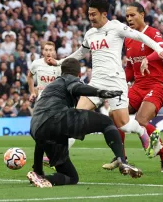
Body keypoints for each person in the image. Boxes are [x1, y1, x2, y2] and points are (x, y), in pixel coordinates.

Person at [47, 0, 163, 166]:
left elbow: (140, 36)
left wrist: (158, 49)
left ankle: (141, 132)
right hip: (96, 82)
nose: (91, 18)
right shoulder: (90, 33)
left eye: (94, 14)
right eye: (89, 14)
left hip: (116, 82)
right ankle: (57, 153)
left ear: (104, 14)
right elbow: (80, 53)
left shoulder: (116, 27)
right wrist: (59, 62)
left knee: (123, 125)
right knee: (75, 116)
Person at [27, 58, 142, 188]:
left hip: (36, 126)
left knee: (72, 177)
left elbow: (40, 139)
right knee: (106, 122)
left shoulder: (51, 87)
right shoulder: (69, 79)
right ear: (79, 74)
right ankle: (122, 160)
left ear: (61, 71)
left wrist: (38, 170)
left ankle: (41, 177)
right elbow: (76, 87)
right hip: (57, 117)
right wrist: (99, 92)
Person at [102, 2, 163, 172]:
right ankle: (121, 157)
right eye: (127, 16)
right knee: (114, 113)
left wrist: (149, 58)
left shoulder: (153, 33)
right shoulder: (129, 38)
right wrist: (116, 81)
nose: (129, 19)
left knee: (141, 121)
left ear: (142, 14)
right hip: (138, 86)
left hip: (157, 85)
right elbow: (130, 69)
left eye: (132, 15)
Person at [27, 41, 75, 165]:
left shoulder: (59, 66)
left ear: (54, 52)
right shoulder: (36, 64)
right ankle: (50, 158)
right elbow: (30, 76)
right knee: (39, 129)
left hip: (56, 102)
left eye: (51, 50)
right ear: (43, 51)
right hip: (42, 101)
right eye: (46, 50)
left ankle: (56, 157)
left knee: (58, 130)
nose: (48, 52)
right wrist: (33, 91)